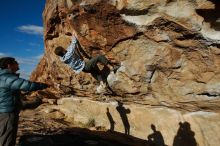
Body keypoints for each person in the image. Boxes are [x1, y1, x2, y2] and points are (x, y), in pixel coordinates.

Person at [0, 57, 48, 146]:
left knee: (4, 136)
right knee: (6, 139)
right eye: (16, 62)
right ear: (9, 65)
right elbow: (27, 85)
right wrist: (44, 85)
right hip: (7, 114)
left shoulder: (2, 77)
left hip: (3, 112)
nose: (18, 64)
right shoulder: (7, 78)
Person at [54, 31, 120, 93]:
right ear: (63, 51)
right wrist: (73, 34)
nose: (65, 49)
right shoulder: (69, 54)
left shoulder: (62, 59)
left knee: (96, 72)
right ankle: (111, 67)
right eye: (63, 49)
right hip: (85, 66)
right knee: (99, 57)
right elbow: (74, 43)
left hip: (83, 70)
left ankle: (103, 84)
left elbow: (69, 50)